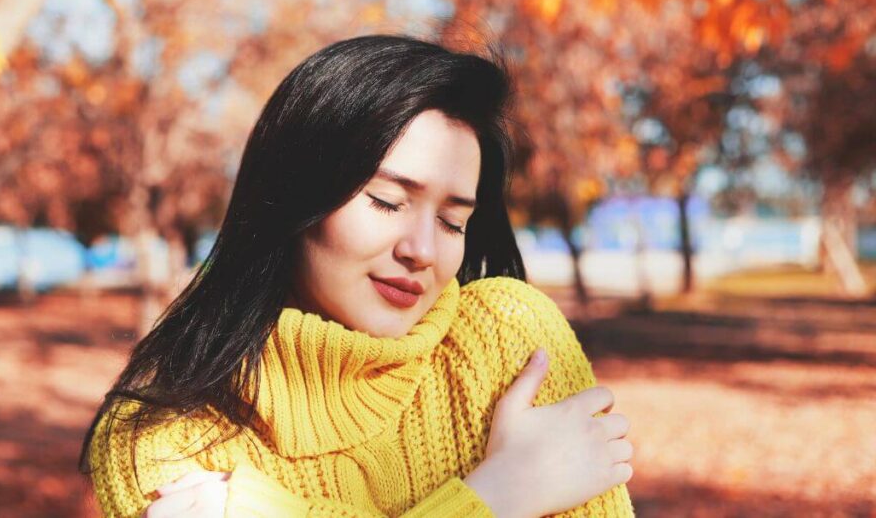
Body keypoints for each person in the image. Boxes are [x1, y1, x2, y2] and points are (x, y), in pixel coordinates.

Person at [80, 36, 634, 517]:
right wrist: (499, 497)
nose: (421, 251)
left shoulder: (508, 342)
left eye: (451, 221)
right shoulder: (161, 436)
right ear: (296, 195)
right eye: (388, 202)